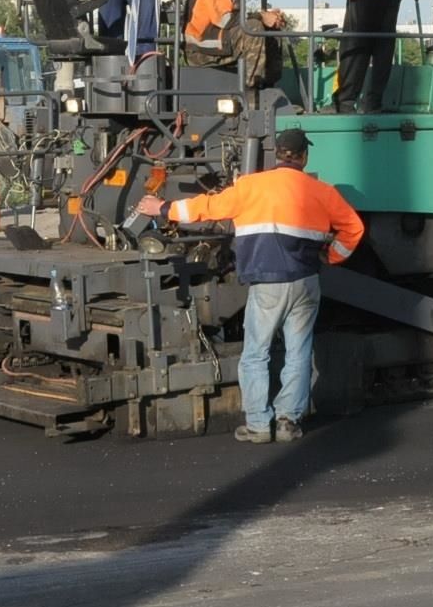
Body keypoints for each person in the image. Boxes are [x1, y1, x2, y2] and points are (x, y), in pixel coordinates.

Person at [145, 127, 363, 444]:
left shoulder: (249, 187)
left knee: (256, 353)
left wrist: (162, 208)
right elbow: (353, 228)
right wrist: (332, 256)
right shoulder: (323, 191)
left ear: (276, 154)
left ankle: (260, 425)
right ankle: (289, 421)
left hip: (267, 284)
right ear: (304, 157)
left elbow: (203, 208)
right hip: (306, 282)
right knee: (299, 352)